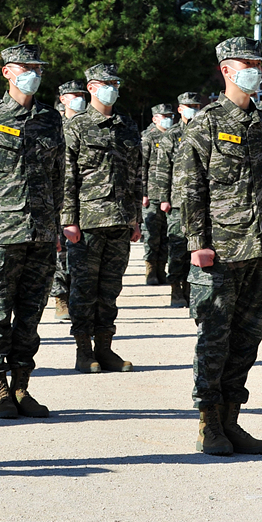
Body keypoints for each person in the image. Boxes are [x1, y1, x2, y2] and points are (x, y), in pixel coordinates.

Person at [179, 36, 262, 455]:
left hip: (256, 250)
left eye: (258, 63)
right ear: (226, 69)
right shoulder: (204, 123)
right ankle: (208, 424)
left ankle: (231, 420)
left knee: (247, 338)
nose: (255, 69)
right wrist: (197, 242)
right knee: (215, 339)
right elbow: (189, 186)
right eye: (247, 62)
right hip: (219, 251)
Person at [0, 44, 64, 418]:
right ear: (7, 72)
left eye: (38, 66)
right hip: (1, 232)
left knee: (31, 313)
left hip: (40, 232)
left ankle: (22, 386)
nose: (33, 72)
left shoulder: (51, 120)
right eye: (26, 66)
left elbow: (58, 177)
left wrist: (55, 224)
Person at [62, 63, 142, 373]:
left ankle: (105, 348)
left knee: (110, 290)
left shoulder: (127, 125)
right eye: (106, 82)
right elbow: (66, 175)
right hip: (88, 222)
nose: (113, 87)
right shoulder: (76, 126)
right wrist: (68, 219)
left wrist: (135, 218)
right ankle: (84, 351)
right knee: (84, 289)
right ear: (92, 87)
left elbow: (136, 175)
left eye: (116, 82)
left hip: (120, 220)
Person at [153, 91, 203, 309]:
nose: (193, 108)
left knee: (199, 245)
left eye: (196, 104)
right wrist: (163, 197)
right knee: (177, 245)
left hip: (200, 200)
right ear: (180, 108)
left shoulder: (203, 131)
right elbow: (162, 169)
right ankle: (176, 287)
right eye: (188, 105)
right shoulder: (171, 135)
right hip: (177, 200)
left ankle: (192, 288)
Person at [49, 80, 89, 322]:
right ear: (63, 98)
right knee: (61, 252)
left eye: (82, 95)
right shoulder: (55, 125)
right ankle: (60, 298)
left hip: (87, 199)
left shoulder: (87, 125)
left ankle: (78, 297)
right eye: (74, 95)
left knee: (83, 254)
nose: (80, 99)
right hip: (60, 197)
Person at [141, 103, 176, 286]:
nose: (168, 118)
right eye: (164, 116)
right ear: (155, 119)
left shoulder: (175, 135)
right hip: (153, 194)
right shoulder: (148, 137)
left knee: (167, 235)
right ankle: (151, 269)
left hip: (171, 193)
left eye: (170, 115)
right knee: (152, 234)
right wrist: (144, 193)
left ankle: (162, 268)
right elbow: (142, 166)